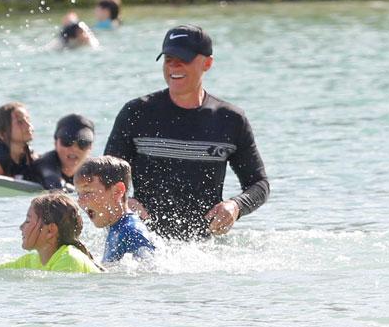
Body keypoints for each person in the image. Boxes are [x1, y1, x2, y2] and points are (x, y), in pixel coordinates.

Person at [104, 24, 270, 241]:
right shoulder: (136, 112)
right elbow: (105, 176)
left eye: (184, 59)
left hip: (202, 249)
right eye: (169, 59)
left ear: (207, 63)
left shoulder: (231, 120)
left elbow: (259, 184)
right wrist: (125, 203)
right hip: (140, 242)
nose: (175, 66)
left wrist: (235, 206)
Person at [74, 155, 155, 264]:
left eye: (88, 192)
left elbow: (149, 273)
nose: (80, 201)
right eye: (79, 193)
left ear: (117, 191)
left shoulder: (133, 232)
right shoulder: (116, 225)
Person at [31, 114, 95, 191]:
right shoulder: (44, 164)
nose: (74, 149)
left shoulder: (94, 171)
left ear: (91, 147)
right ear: (55, 143)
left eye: (83, 143)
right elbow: (55, 184)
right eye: (67, 142)